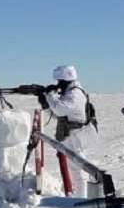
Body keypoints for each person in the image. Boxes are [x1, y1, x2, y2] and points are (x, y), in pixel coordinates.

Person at [40, 65, 99, 197]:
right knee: (76, 169)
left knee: (80, 171)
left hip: (77, 135)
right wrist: (46, 103)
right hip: (71, 134)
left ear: (65, 80)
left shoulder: (75, 94)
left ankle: (83, 199)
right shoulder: (69, 93)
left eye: (59, 81)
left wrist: (50, 95)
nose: (57, 84)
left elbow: (60, 110)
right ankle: (79, 198)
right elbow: (59, 114)